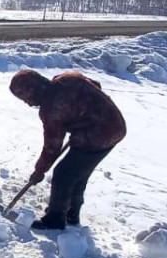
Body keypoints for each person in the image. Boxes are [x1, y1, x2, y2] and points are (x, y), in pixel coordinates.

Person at [8, 69, 126, 231]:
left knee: (63, 174)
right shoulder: (66, 78)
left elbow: (52, 146)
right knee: (77, 172)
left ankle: (54, 221)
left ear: (33, 90)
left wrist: (39, 171)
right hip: (115, 124)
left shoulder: (51, 108)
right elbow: (95, 85)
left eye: (26, 98)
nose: (28, 103)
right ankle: (71, 213)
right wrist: (83, 114)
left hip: (99, 134)